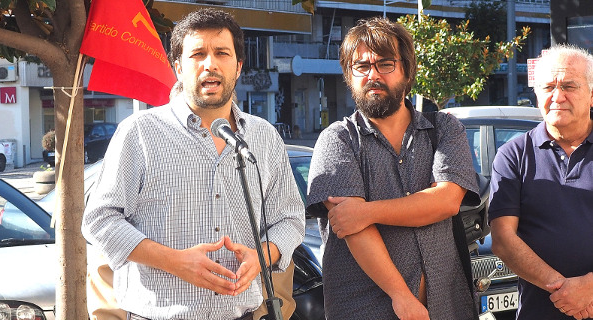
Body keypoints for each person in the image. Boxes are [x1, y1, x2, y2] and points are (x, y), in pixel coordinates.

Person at [81, 8, 305, 320]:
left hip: (242, 313)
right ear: (178, 67)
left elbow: (290, 218)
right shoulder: (140, 133)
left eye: (222, 53)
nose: (210, 64)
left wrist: (261, 257)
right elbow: (99, 221)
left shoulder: (264, 137)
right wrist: (174, 261)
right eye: (197, 53)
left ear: (238, 66)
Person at [306, 17, 478, 320]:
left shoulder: (445, 129)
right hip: (364, 310)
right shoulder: (336, 140)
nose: (373, 74)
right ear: (349, 75)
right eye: (361, 66)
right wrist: (402, 297)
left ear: (407, 71)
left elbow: (447, 201)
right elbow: (351, 226)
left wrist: (368, 211)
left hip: (448, 308)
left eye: (385, 64)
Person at [489, 45, 593, 320]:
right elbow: (502, 239)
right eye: (547, 87)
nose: (557, 96)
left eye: (569, 85)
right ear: (536, 95)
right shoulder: (512, 155)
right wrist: (563, 290)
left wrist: (590, 288)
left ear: (592, 94)